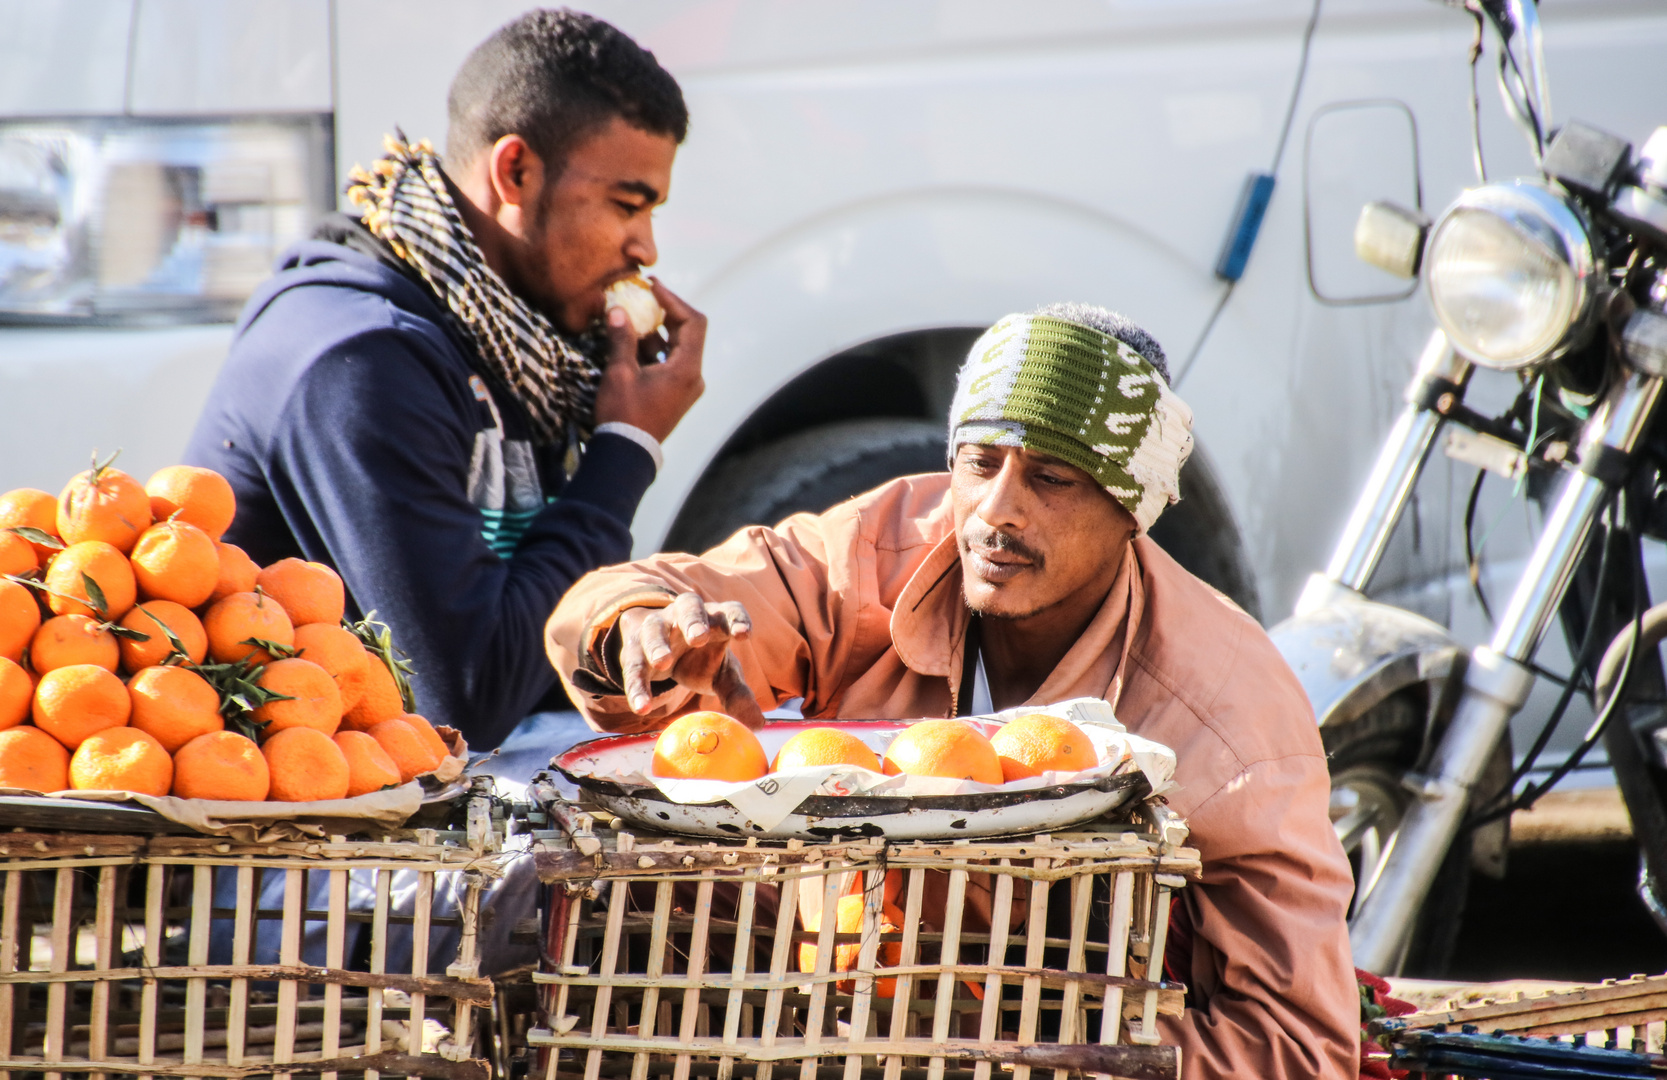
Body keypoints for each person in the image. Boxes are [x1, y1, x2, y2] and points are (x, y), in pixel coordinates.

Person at [546, 303, 1358, 1078]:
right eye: (978, 462)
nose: (995, 512)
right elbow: (671, 587)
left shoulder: (1226, 708)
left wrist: (1050, 1052)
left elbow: (1299, 1044)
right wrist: (639, 630)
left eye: (1051, 478)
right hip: (823, 1001)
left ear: (1132, 512)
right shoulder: (886, 545)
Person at [184, 9, 703, 751]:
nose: (644, 248)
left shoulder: (519, 337)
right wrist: (624, 448)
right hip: (274, 826)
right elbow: (466, 695)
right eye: (627, 204)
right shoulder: (361, 359)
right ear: (515, 171)